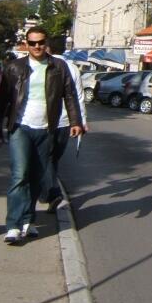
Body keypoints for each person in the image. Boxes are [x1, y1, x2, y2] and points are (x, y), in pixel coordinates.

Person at [0, 26, 82, 245]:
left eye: (41, 42)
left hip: (46, 128)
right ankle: (13, 225)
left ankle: (28, 220)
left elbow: (69, 94)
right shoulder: (14, 67)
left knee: (36, 177)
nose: (37, 46)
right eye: (32, 43)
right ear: (26, 44)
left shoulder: (58, 66)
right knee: (19, 175)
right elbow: (2, 100)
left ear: (46, 42)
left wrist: (75, 121)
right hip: (20, 127)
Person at [43, 51, 88, 211]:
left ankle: (52, 194)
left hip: (47, 120)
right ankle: (50, 194)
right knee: (53, 159)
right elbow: (79, 97)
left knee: (45, 158)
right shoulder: (73, 68)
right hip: (66, 122)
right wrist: (81, 121)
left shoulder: (45, 65)